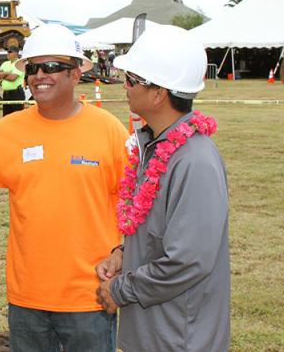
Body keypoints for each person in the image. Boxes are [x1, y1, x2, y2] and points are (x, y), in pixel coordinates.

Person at [0, 24, 128, 351]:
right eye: (33, 68)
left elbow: (138, 207)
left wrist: (124, 255)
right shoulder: (5, 133)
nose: (40, 75)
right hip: (27, 299)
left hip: (90, 296)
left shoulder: (109, 131)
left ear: (76, 74)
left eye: (52, 67)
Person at [95, 25, 230, 352]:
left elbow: (187, 260)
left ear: (159, 93)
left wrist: (120, 290)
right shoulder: (153, 146)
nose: (124, 87)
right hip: (155, 332)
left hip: (180, 339)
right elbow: (160, 231)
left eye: (131, 80)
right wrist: (124, 255)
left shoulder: (194, 160)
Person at [0, 44, 25, 116]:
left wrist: (2, 75)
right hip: (6, 94)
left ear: (16, 53)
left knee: (18, 116)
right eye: (7, 52)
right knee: (6, 116)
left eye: (9, 52)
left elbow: (13, 78)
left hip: (17, 93)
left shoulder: (20, 63)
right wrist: (7, 73)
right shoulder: (5, 63)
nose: (7, 53)